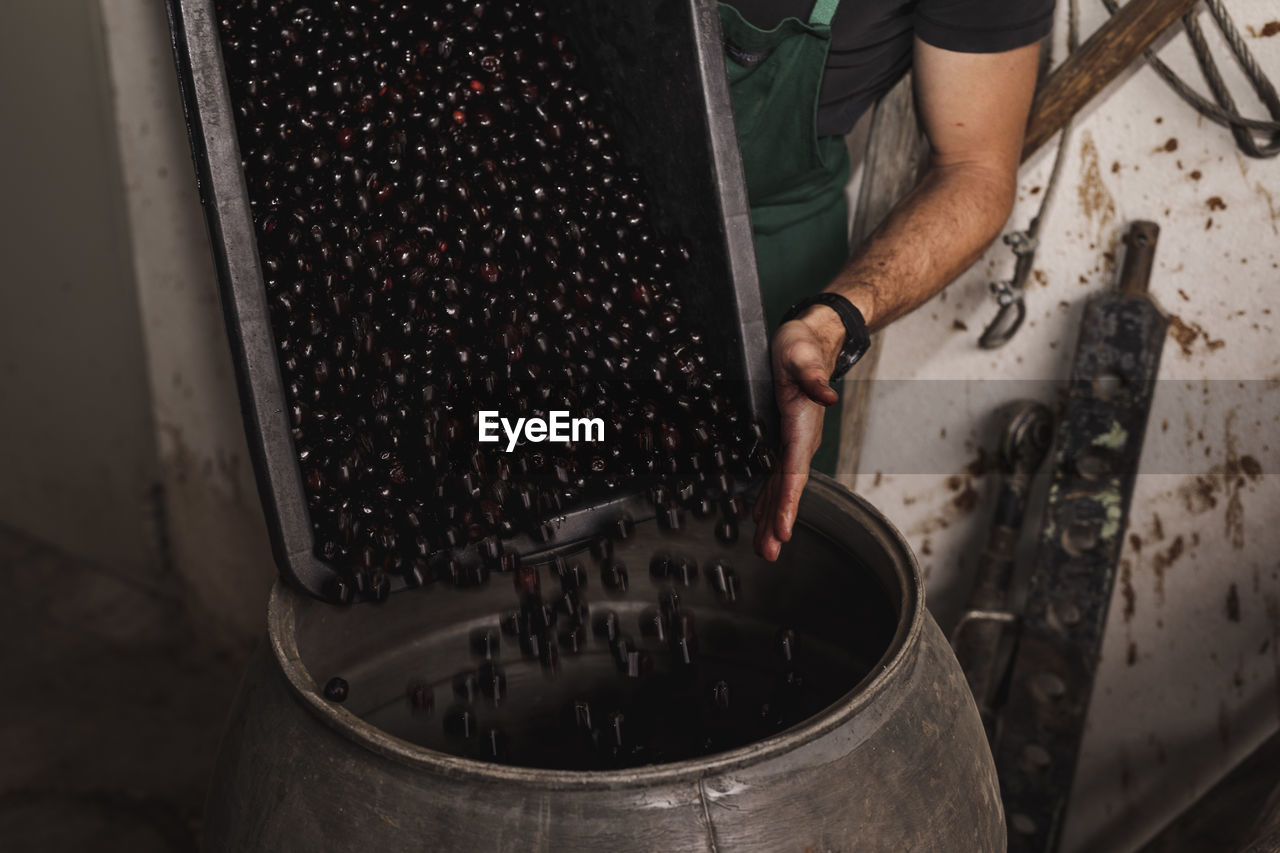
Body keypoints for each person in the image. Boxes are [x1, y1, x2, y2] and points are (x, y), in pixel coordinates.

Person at [723, 0, 1055, 560]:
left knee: (736, 551)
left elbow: (975, 169)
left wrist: (831, 326)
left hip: (766, 253)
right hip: (549, 191)